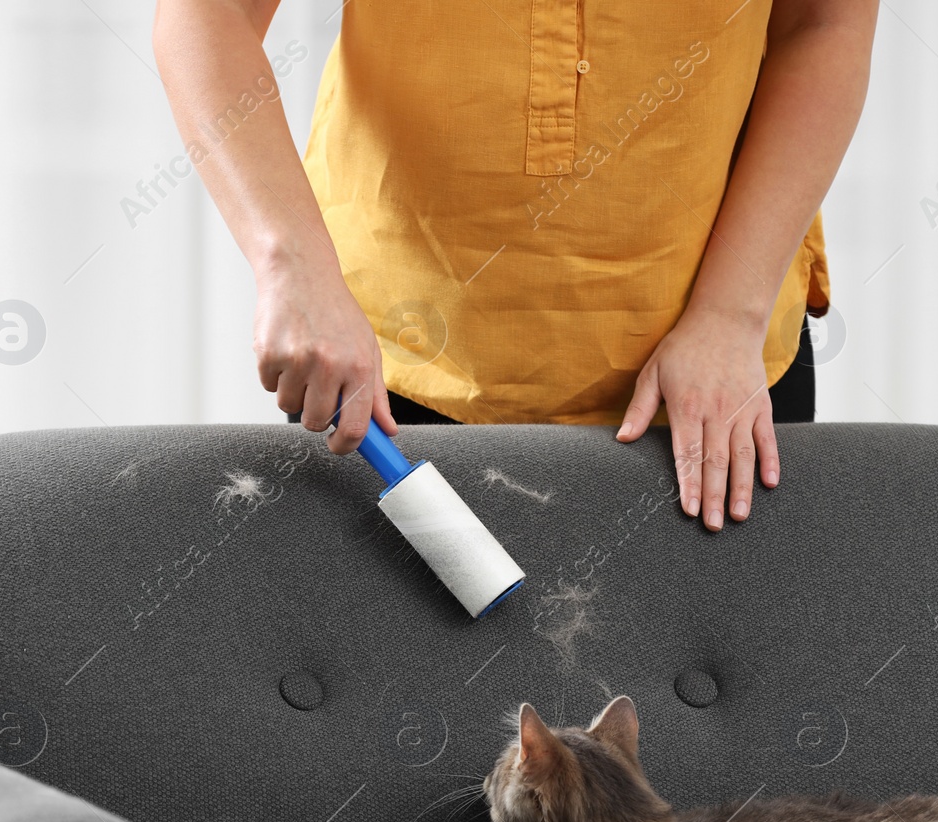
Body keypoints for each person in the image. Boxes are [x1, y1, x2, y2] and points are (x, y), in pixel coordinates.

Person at [153, 0, 876, 531]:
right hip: (385, 365)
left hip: (713, 377)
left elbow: (824, 23)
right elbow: (208, 14)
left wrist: (731, 314)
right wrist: (291, 265)